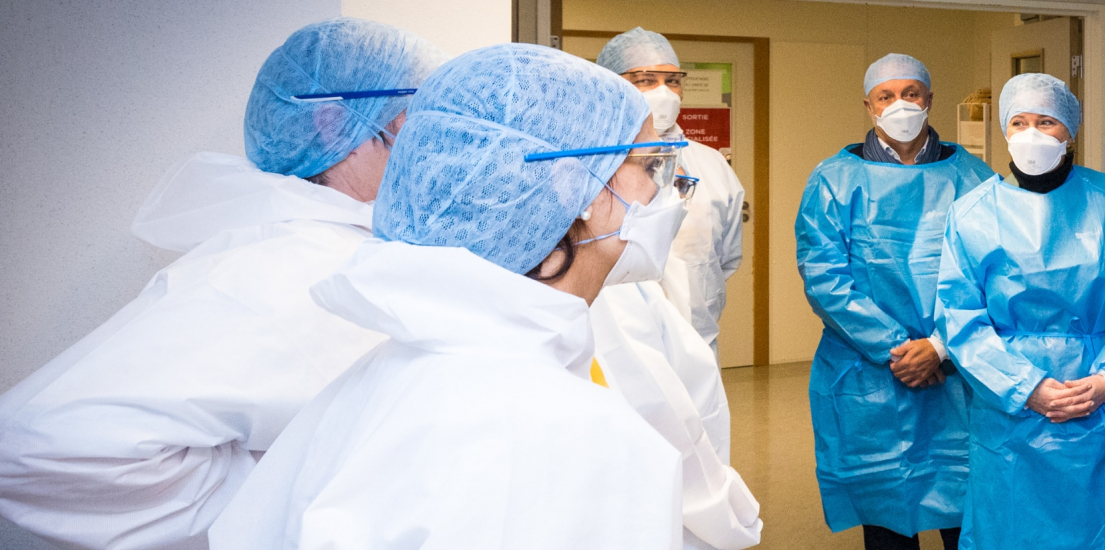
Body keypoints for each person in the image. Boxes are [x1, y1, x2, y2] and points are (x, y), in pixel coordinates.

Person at [209, 43, 686, 548]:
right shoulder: (578, 436)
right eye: (649, 166)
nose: (664, 194)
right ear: (577, 186)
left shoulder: (389, 375)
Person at [0, 18, 443, 550]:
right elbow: (36, 450)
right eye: (412, 116)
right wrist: (279, 502)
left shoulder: (339, 251)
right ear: (331, 122)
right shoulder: (287, 268)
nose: (433, 142)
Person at [935, 73, 1105, 550]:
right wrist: (1026, 387)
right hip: (1011, 417)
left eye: (1047, 122)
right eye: (1018, 122)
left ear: (1071, 132)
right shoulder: (972, 213)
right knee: (1012, 532)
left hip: (1103, 406)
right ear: (1003, 131)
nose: (1032, 135)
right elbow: (960, 321)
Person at [795, 53, 995, 550]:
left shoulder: (972, 176)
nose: (900, 104)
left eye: (912, 94)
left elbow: (993, 273)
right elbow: (825, 278)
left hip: (956, 368)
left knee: (965, 510)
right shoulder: (834, 180)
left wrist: (941, 346)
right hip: (871, 371)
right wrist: (896, 347)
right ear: (869, 106)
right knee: (885, 514)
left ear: (929, 100)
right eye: (887, 96)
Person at [585, 212, 764, 548]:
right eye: (653, 166)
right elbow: (661, 415)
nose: (675, 200)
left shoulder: (640, 276)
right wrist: (730, 518)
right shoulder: (613, 292)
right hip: (663, 507)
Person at [599, 27, 745, 358]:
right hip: (613, 348)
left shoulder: (711, 165)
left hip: (696, 341)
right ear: (612, 83)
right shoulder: (588, 161)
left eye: (673, 80)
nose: (664, 92)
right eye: (646, 80)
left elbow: (725, 258)